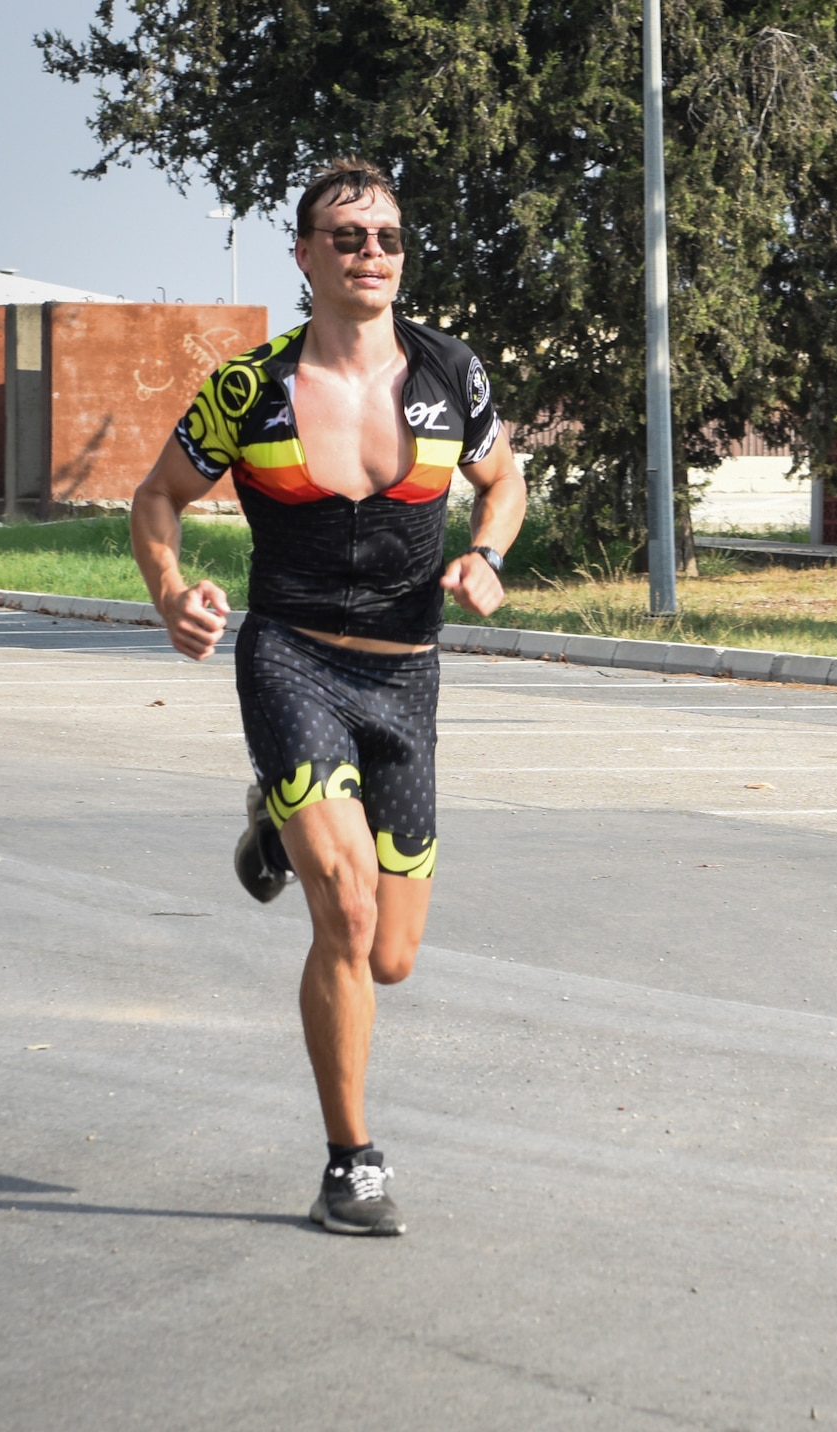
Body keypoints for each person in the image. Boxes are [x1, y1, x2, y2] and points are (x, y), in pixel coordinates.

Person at [130, 159, 525, 1236]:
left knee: (391, 955)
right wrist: (171, 591)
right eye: (346, 237)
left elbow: (504, 481)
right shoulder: (248, 386)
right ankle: (350, 1162)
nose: (371, 255)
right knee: (343, 915)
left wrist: (485, 556)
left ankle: (276, 815)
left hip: (406, 673)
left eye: (387, 237)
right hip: (291, 656)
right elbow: (159, 494)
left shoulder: (451, 373)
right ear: (304, 256)